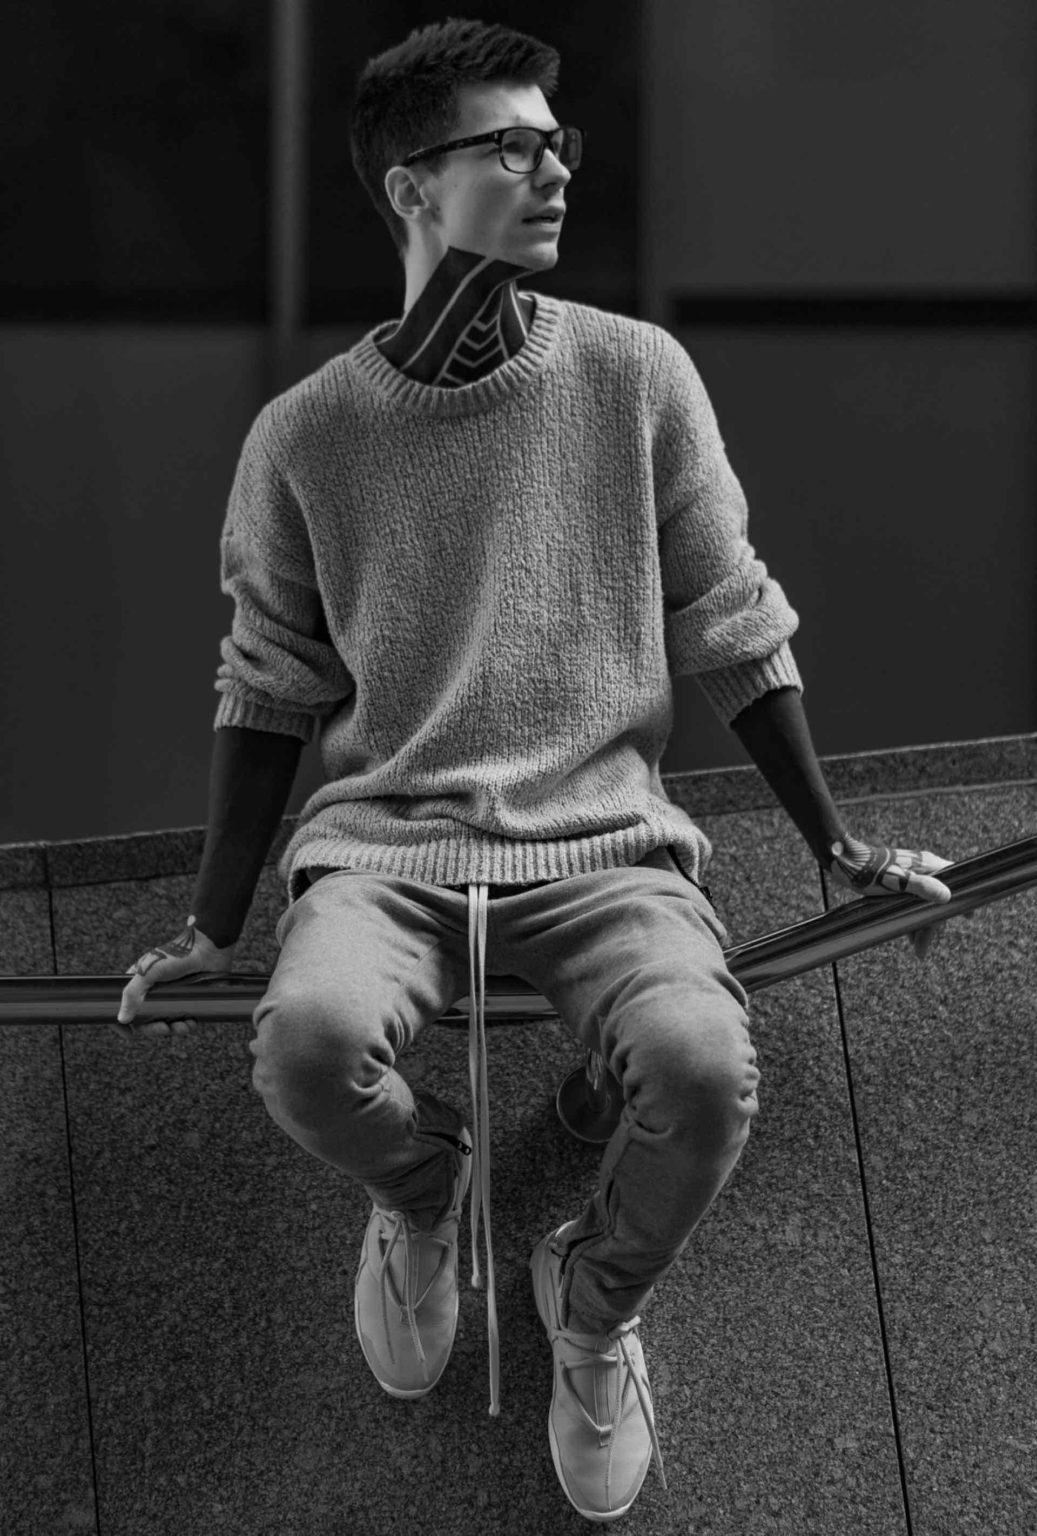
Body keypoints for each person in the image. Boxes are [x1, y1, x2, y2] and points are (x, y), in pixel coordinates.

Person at [117, 18, 956, 1523]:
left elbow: (731, 619)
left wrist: (835, 844)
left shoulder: (636, 375)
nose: (555, 167)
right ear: (409, 191)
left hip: (605, 845)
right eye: (512, 145)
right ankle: (426, 1192)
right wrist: (215, 923)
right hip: (385, 850)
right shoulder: (304, 437)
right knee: (305, 1048)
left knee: (702, 1069)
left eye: (557, 140)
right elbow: (268, 688)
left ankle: (591, 1299)